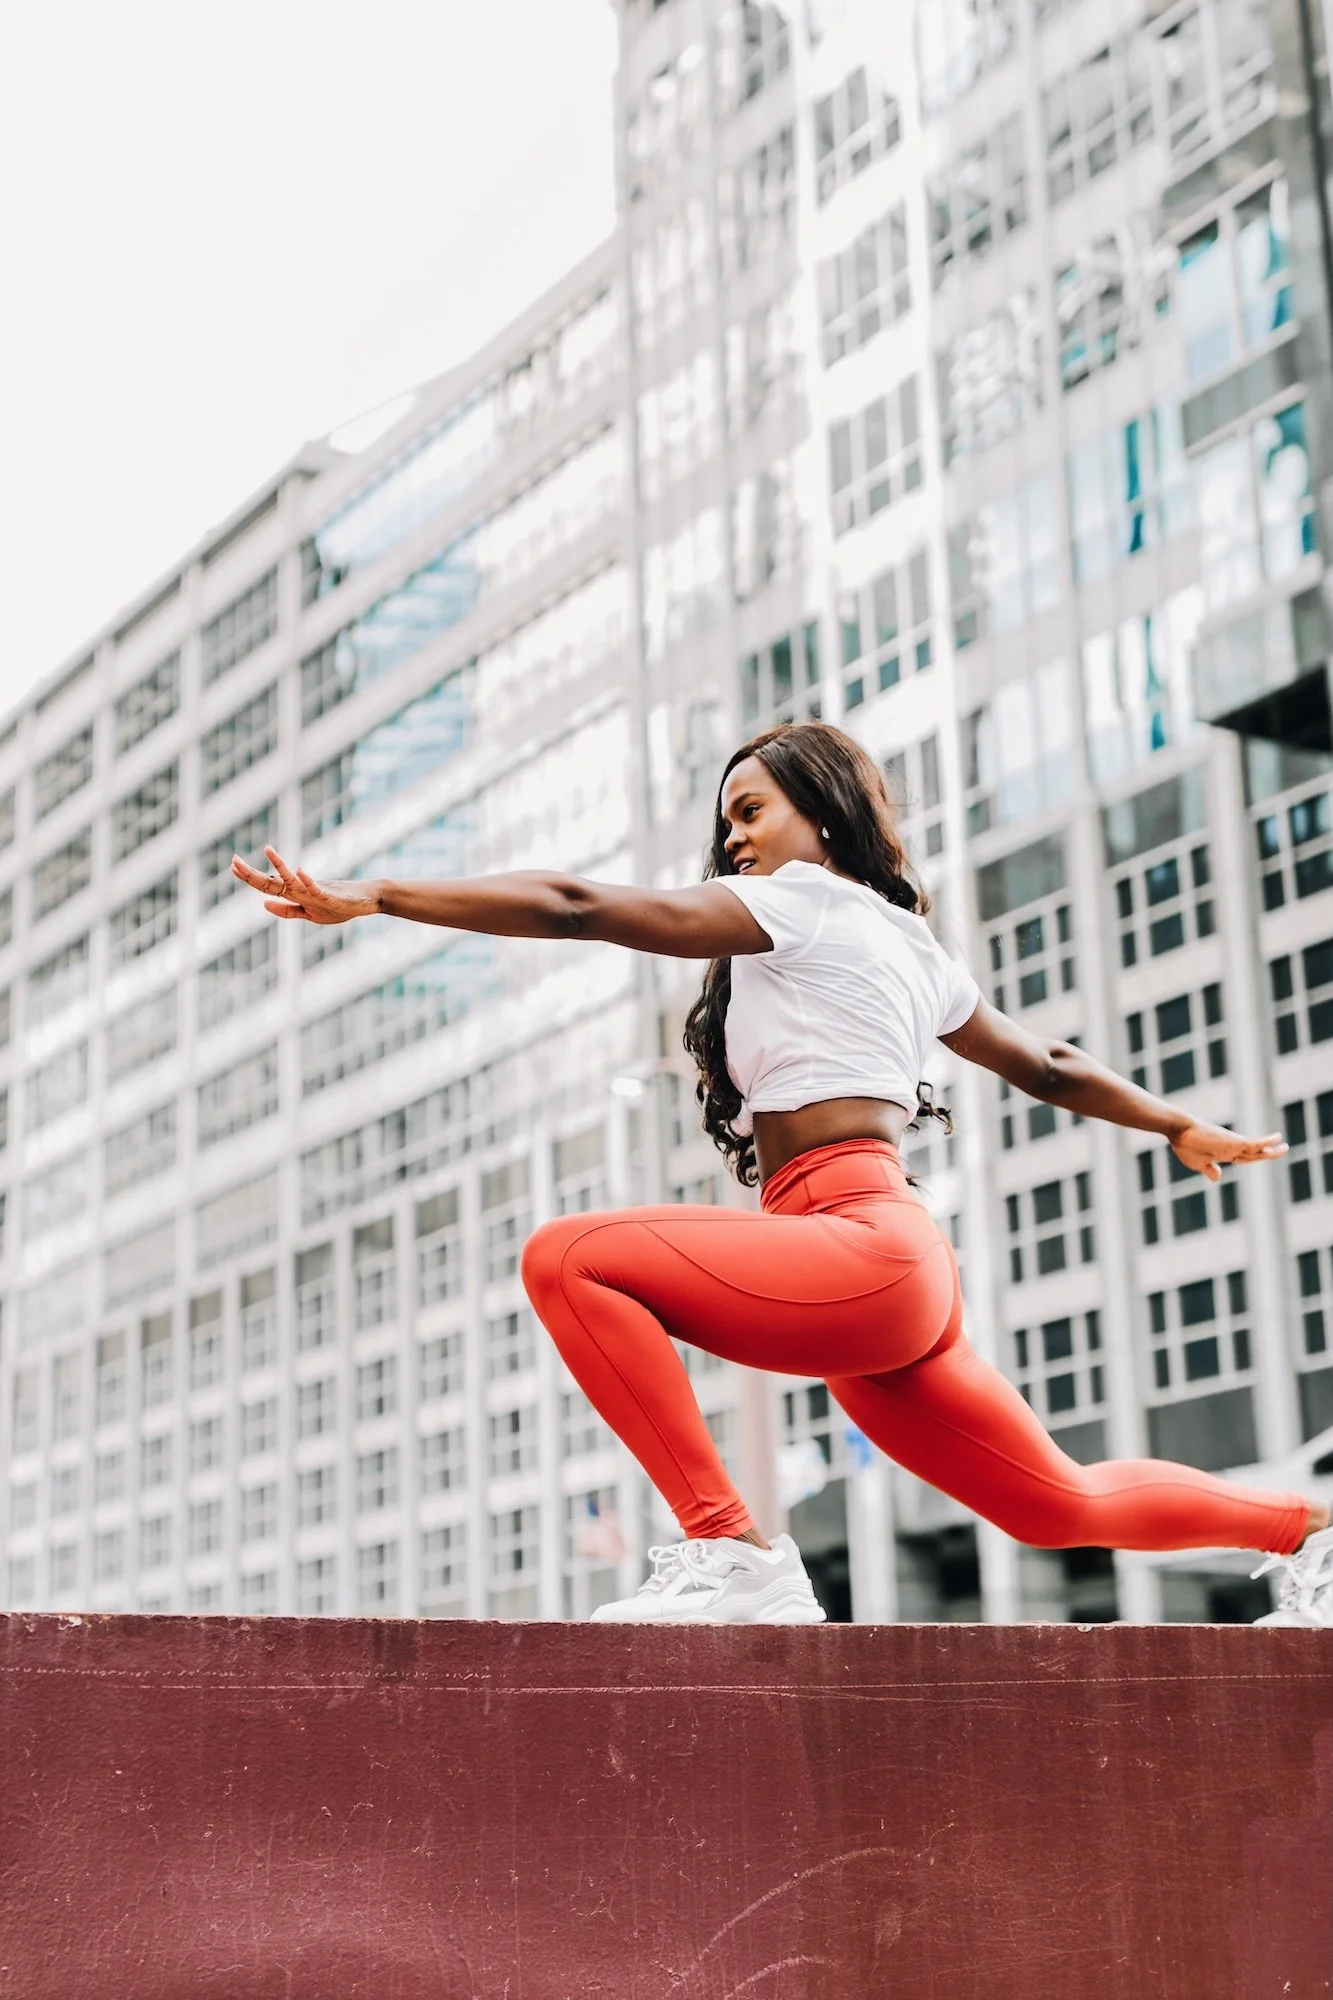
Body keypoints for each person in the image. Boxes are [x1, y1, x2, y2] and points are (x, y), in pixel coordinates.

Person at [234, 720, 1333, 1629]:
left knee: (569, 1258)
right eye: (727, 820)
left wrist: (376, 894)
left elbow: (578, 906)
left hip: (856, 1242)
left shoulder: (805, 900)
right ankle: (1313, 1534)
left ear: (824, 815)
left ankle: (732, 1553)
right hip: (899, 1267)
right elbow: (1044, 1062)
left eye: (751, 810)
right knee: (1056, 1502)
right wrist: (1175, 1122)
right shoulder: (914, 945)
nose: (734, 837)